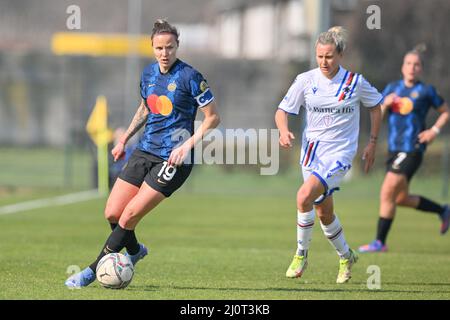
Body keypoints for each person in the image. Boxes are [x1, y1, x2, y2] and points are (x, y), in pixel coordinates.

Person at [65, 19, 220, 288]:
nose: (164, 53)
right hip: (144, 150)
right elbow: (145, 108)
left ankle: (90, 271)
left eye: (169, 47)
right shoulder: (148, 74)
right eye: (159, 48)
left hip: (173, 159)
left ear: (177, 47)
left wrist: (186, 146)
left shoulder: (191, 77)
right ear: (152, 47)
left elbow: (213, 118)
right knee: (112, 213)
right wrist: (124, 139)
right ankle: (135, 251)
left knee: (129, 216)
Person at [275, 26, 382, 284]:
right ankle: (346, 256)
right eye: (320, 56)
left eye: (329, 56)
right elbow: (282, 110)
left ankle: (301, 255)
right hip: (311, 154)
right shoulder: (306, 80)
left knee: (303, 197)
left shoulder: (354, 83)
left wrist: (372, 143)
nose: (324, 61)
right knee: (324, 213)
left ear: (340, 55)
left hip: (340, 155)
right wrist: (283, 130)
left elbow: (376, 107)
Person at [358, 45, 450, 253]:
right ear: (402, 67)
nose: (412, 68)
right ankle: (443, 211)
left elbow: (445, 112)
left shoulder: (426, 91)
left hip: (413, 148)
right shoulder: (392, 88)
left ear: (421, 70)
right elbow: (376, 114)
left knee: (387, 191)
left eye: (416, 65)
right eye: (409, 64)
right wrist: (385, 105)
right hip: (394, 149)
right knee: (399, 198)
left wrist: (434, 131)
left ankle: (380, 242)